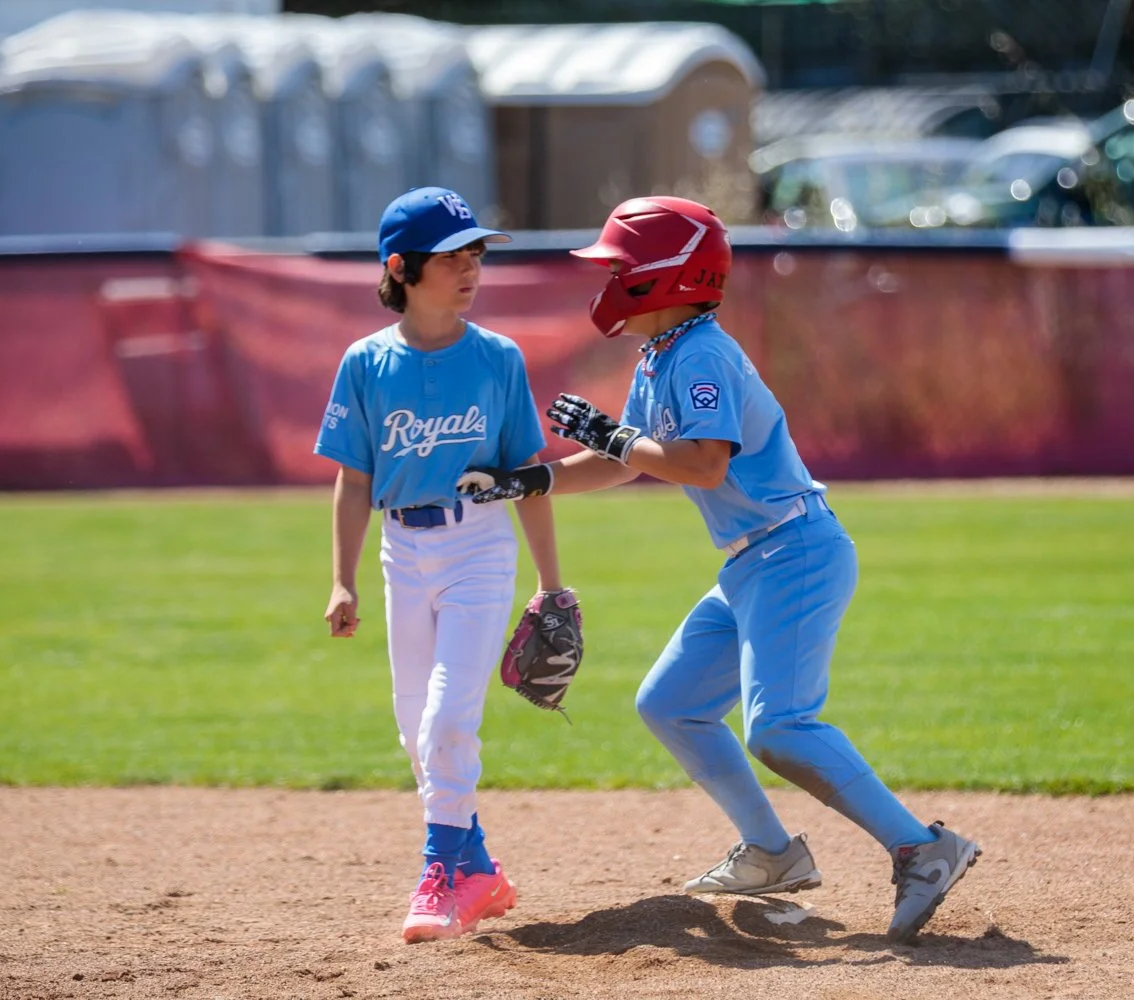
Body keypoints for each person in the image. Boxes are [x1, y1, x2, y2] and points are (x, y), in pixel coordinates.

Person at [458, 196, 980, 944]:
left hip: (793, 551)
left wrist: (614, 434)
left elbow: (702, 465)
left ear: (663, 279)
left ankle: (922, 847)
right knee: (670, 702)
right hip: (754, 563)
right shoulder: (665, 354)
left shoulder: (701, 353)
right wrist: (534, 480)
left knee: (781, 726)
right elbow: (625, 463)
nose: (606, 279)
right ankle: (772, 852)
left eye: (619, 266)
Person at [316, 186, 566, 944]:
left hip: (479, 547)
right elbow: (354, 478)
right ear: (401, 265)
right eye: (453, 256)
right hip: (401, 549)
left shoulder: (496, 358)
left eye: (476, 253)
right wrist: (342, 577)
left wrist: (551, 582)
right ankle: (480, 866)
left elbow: (528, 471)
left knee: (449, 716)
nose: (471, 267)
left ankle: (441, 876)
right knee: (413, 727)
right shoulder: (365, 363)